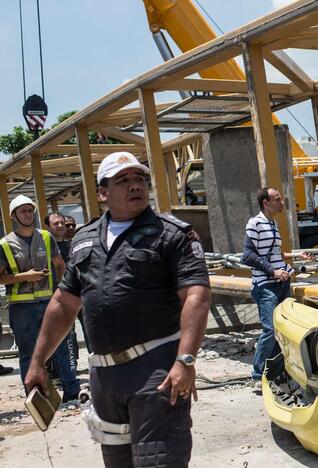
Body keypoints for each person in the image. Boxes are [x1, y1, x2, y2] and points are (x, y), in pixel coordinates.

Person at [24, 152, 211, 467]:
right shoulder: (84, 239)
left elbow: (197, 295)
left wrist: (186, 361)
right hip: (105, 379)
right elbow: (63, 304)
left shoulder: (171, 234)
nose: (135, 186)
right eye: (123, 180)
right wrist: (38, 362)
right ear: (102, 192)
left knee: (158, 461)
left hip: (156, 371)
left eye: (139, 179)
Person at [0, 196, 78, 400]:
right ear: (13, 215)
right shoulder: (5, 244)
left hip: (49, 302)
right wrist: (25, 277)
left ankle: (71, 391)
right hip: (21, 307)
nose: (27, 214)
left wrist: (61, 291)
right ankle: (35, 397)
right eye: (23, 211)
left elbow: (60, 265)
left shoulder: (46, 237)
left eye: (29, 210)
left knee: (60, 347)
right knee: (28, 354)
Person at [242, 187, 298, 383]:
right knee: (270, 330)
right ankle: (258, 375)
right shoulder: (255, 223)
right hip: (265, 285)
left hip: (281, 284)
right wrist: (273, 272)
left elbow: (274, 255)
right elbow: (248, 256)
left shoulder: (272, 224)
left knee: (283, 329)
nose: (282, 202)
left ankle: (275, 372)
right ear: (266, 203)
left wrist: (295, 258)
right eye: (277, 199)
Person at [44, 211, 80, 370]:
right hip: (57, 297)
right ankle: (63, 370)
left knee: (82, 330)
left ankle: (74, 366)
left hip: (78, 295)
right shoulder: (44, 249)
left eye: (62, 223)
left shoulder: (72, 246)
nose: (61, 226)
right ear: (47, 227)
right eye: (55, 223)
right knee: (64, 334)